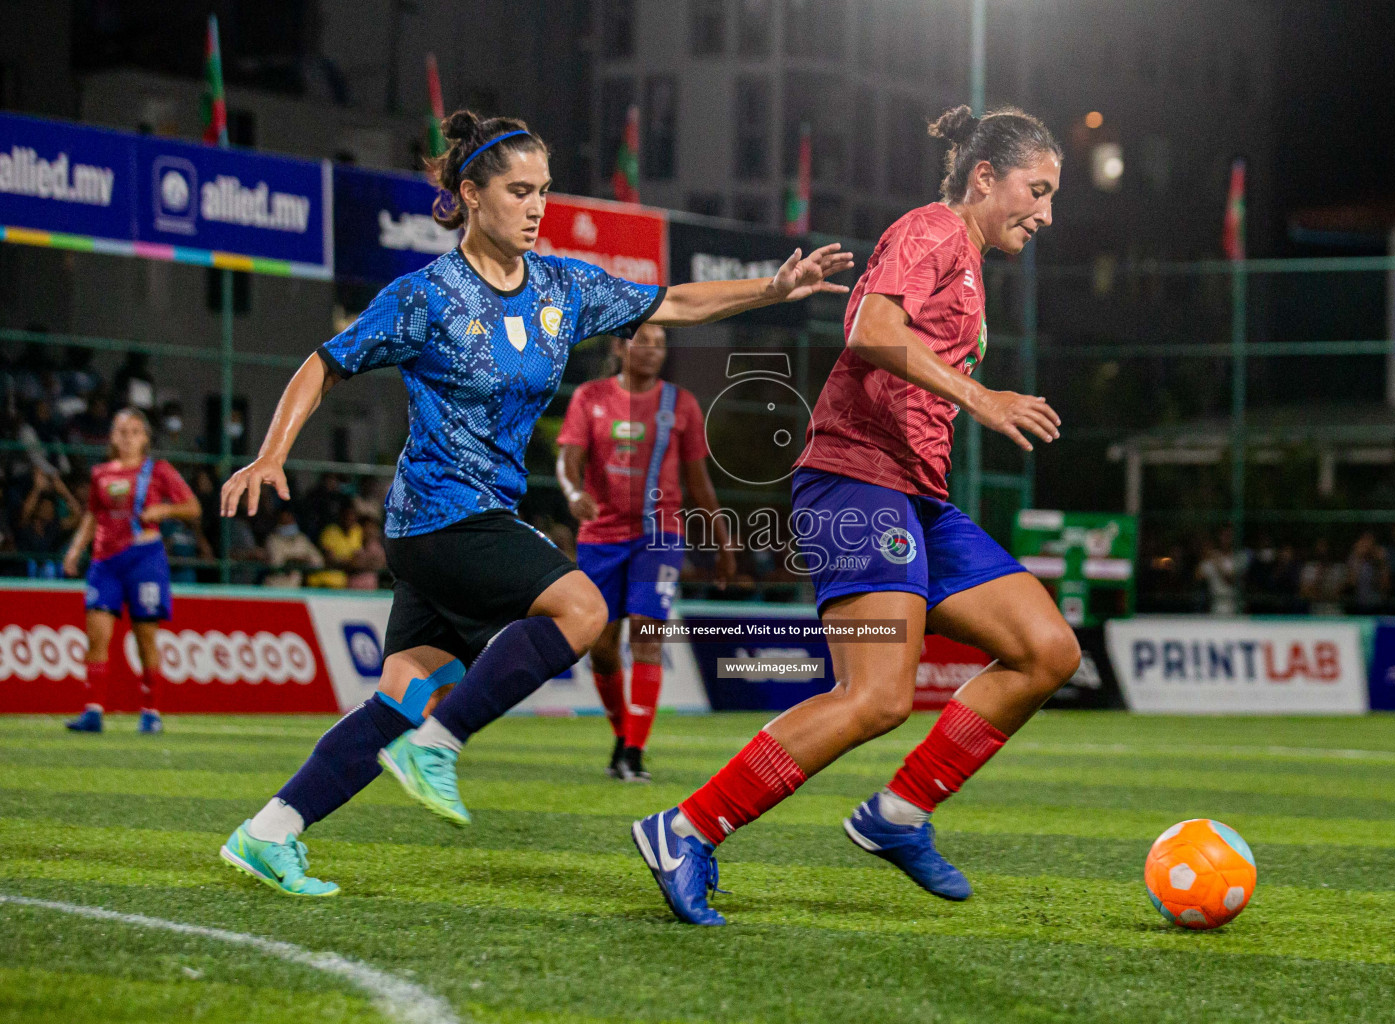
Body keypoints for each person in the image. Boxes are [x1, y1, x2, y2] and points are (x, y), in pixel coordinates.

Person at [215, 110, 852, 896]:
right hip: (444, 515)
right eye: (519, 190)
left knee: (400, 695)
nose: (536, 205)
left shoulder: (563, 287)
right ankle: (442, 744)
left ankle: (269, 831)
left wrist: (773, 288)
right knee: (582, 612)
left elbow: (676, 304)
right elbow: (324, 363)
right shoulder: (426, 297)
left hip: (466, 522)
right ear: (471, 196)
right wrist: (271, 453)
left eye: (544, 190)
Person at [631, 105, 1078, 925]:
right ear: (986, 177)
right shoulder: (934, 229)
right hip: (854, 481)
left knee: (1047, 649)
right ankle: (685, 828)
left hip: (915, 496)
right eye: (1037, 190)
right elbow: (869, 327)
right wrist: (980, 395)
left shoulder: (971, 261)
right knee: (876, 696)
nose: (1047, 213)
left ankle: (899, 814)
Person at [556, 324, 733, 782]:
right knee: (601, 645)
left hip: (661, 535)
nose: (653, 351)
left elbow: (698, 479)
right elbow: (568, 458)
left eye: (661, 343)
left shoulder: (681, 405)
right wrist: (573, 492)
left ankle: (634, 751)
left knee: (648, 636)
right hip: (600, 537)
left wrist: (721, 537)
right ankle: (622, 735)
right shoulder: (589, 396)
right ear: (619, 347)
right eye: (643, 341)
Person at [60, 409, 200, 734]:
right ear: (112, 436)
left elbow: (192, 508)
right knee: (97, 636)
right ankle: (93, 711)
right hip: (105, 562)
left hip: (144, 560)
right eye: (121, 430)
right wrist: (75, 550)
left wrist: (165, 509)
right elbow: (92, 516)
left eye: (135, 431)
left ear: (145, 438)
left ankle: (151, 712)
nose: (127, 436)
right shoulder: (101, 474)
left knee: (145, 638)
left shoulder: (159, 471)